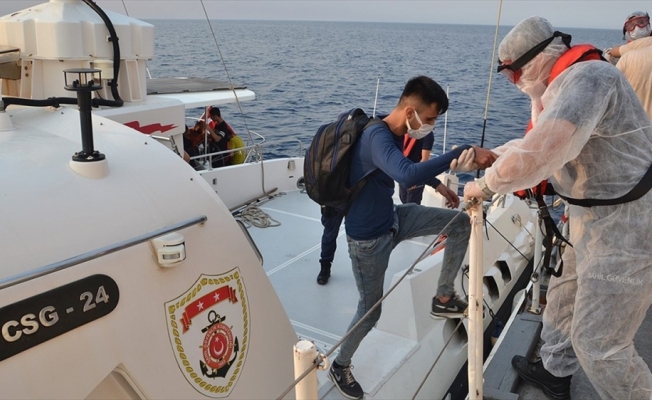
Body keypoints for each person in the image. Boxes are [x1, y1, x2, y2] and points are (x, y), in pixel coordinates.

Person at [463, 16, 652, 399]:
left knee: (600, 343)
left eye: (514, 72)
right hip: (591, 215)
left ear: (536, 59)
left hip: (626, 224)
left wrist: (483, 185)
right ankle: (554, 371)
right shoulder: (565, 84)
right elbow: (542, 143)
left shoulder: (589, 80)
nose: (514, 82)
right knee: (564, 295)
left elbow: (541, 152)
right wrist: (494, 155)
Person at [328, 75, 497, 399]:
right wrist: (461, 152)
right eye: (429, 119)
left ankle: (444, 297)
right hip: (368, 241)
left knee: (459, 224)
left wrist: (438, 185)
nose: (430, 127)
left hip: (393, 218)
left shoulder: (387, 132)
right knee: (370, 309)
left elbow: (399, 167)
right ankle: (340, 364)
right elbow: (405, 173)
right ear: (410, 112)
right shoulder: (376, 135)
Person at [603, 12, 652, 120]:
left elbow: (610, 92)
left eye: (641, 22)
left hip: (638, 124)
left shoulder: (627, 56)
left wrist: (609, 56)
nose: (637, 27)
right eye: (632, 25)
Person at [399, 131, 435, 204]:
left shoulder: (427, 134)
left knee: (412, 204)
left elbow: (424, 160)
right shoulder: (406, 131)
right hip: (404, 174)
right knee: (403, 199)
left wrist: (414, 179)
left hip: (416, 176)